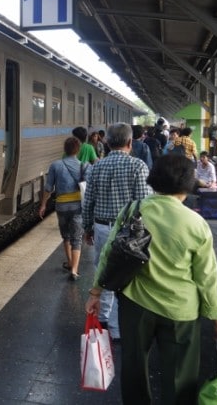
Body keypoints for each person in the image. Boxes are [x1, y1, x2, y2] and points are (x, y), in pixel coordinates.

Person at [85, 154, 217, 404]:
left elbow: (110, 254)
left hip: (135, 304)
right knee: (180, 377)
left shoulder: (133, 210)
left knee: (133, 367)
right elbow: (207, 278)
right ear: (189, 182)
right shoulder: (196, 224)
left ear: (153, 179)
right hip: (181, 312)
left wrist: (96, 292)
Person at [82, 122, 152, 342]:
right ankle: (117, 328)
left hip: (102, 227)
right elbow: (143, 202)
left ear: (107, 142)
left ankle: (102, 320)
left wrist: (86, 227)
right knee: (126, 274)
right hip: (128, 232)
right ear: (130, 142)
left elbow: (88, 201)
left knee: (103, 271)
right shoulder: (138, 166)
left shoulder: (96, 167)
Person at [39, 137, 89, 281]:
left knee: (66, 236)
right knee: (77, 238)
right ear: (78, 150)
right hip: (77, 207)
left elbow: (48, 188)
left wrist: (43, 204)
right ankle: (74, 269)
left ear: (64, 149)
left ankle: (69, 262)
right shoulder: (84, 166)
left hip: (61, 206)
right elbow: (88, 188)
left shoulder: (55, 165)